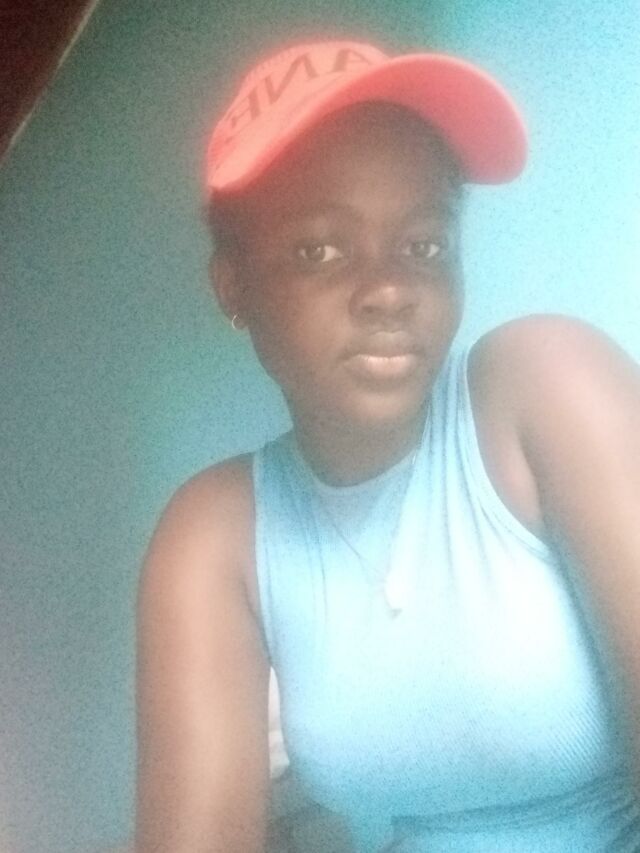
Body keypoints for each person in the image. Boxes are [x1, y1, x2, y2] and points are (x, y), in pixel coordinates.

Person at [134, 39, 640, 852]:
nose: (389, 289)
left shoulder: (546, 386)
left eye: (424, 245)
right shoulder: (217, 534)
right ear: (235, 288)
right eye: (319, 249)